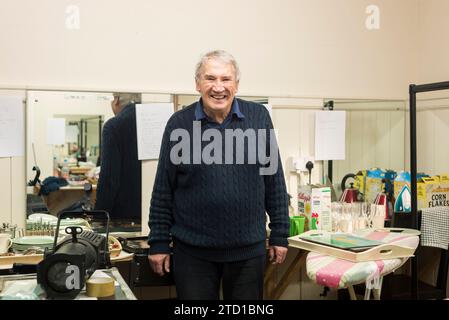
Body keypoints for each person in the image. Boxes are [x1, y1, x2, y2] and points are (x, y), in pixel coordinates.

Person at [148, 50, 289, 300]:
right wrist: (158, 242)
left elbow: (274, 180)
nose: (218, 87)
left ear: (236, 84)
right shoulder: (179, 124)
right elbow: (163, 189)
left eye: (226, 79)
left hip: (248, 252)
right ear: (197, 84)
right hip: (193, 255)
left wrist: (280, 233)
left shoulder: (258, 117)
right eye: (210, 78)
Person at [95, 93, 142, 222]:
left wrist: (98, 216)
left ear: (116, 100)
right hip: (156, 213)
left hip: (123, 215)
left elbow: (109, 180)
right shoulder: (157, 120)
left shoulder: (113, 126)